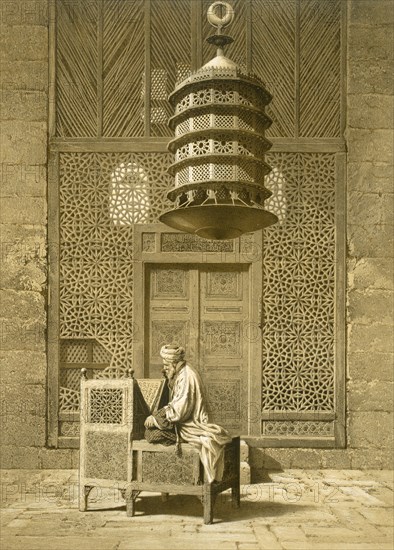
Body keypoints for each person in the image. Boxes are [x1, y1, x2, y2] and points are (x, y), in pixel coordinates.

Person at [144, 344, 232, 483]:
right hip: (184, 421)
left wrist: (155, 419)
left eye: (166, 365)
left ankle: (169, 475)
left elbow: (180, 411)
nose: (164, 368)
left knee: (151, 434)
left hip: (190, 426)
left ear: (175, 363)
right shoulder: (181, 372)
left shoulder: (186, 376)